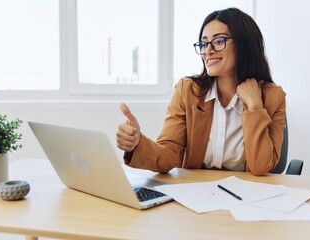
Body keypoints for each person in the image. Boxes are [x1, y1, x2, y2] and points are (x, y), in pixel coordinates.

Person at [116, 8, 286, 176]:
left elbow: (260, 168)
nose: (208, 51)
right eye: (204, 43)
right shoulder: (187, 91)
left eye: (218, 41)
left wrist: (255, 106)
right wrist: (137, 143)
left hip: (249, 195)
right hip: (197, 192)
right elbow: (169, 154)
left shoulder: (273, 97)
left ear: (244, 44)